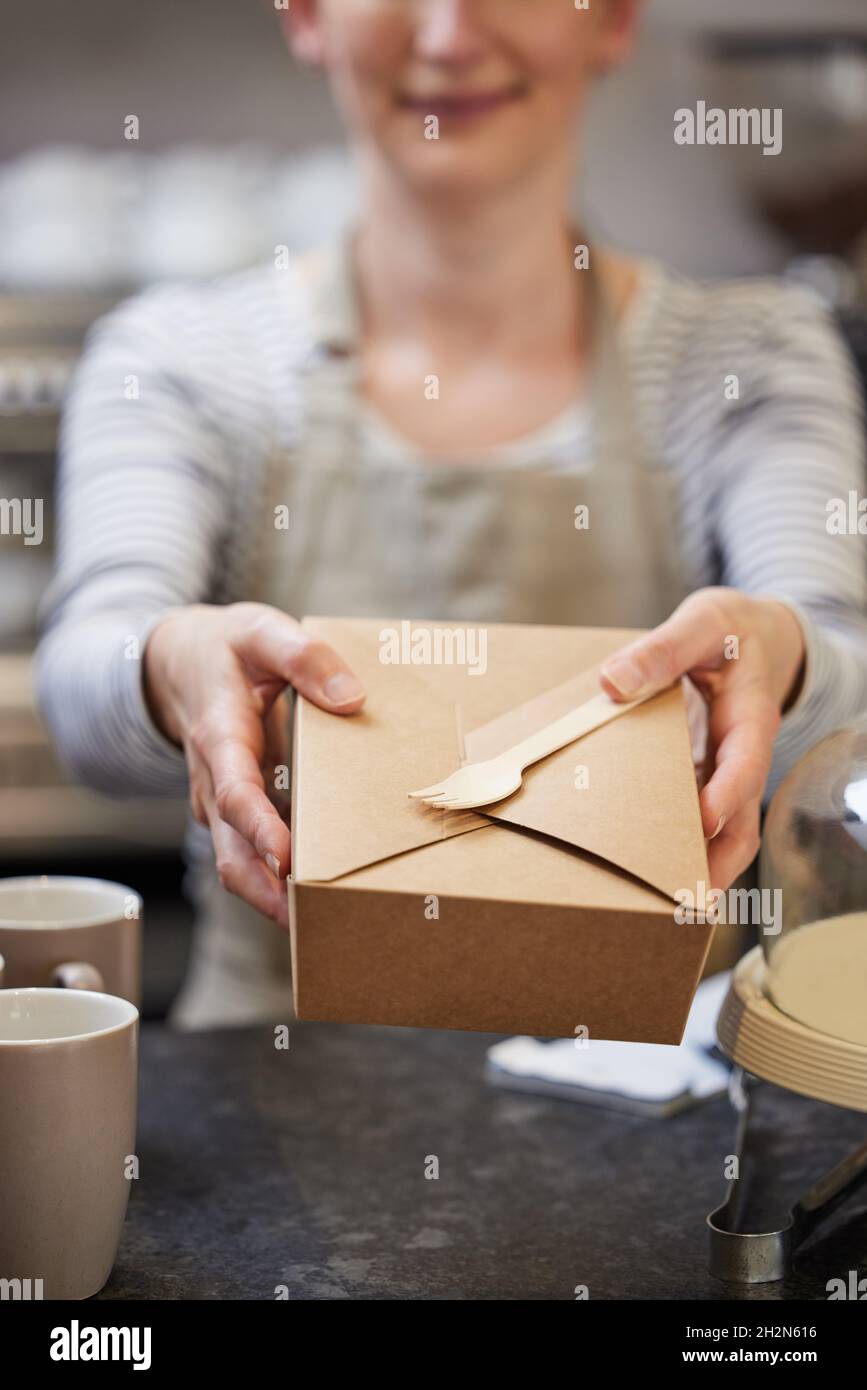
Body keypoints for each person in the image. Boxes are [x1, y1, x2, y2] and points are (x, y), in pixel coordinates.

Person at [37, 0, 867, 1028]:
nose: (447, 36)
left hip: (653, 1100)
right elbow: (84, 684)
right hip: (269, 1082)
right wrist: (168, 662)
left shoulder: (753, 357)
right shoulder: (180, 359)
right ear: (305, 16)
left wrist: (784, 657)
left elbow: (846, 681)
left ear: (608, 18)